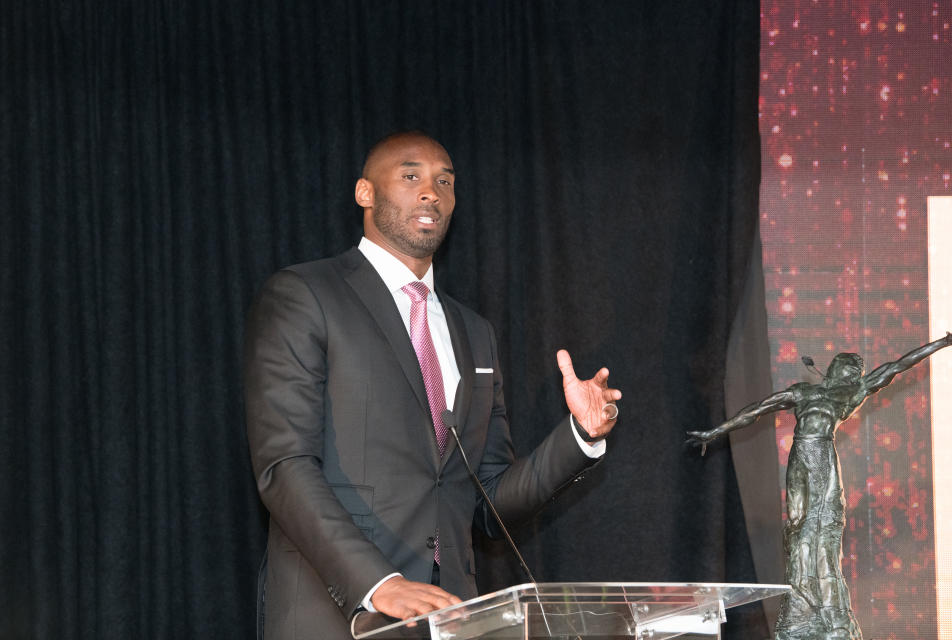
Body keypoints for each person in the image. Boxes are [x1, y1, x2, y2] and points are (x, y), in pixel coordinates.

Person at [244, 131, 623, 640]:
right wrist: (379, 584)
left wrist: (580, 436)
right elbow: (283, 466)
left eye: (444, 181)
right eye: (410, 176)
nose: (432, 192)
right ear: (365, 192)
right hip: (337, 614)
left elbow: (488, 501)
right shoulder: (307, 295)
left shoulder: (474, 333)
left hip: (451, 617)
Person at [687, 333, 952, 640]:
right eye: (849, 366)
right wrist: (714, 432)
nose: (854, 372)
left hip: (823, 456)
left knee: (824, 528)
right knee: (798, 527)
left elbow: (897, 366)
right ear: (836, 368)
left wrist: (941, 344)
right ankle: (801, 602)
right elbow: (757, 409)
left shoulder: (852, 394)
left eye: (857, 369)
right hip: (801, 455)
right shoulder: (803, 392)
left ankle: (830, 612)